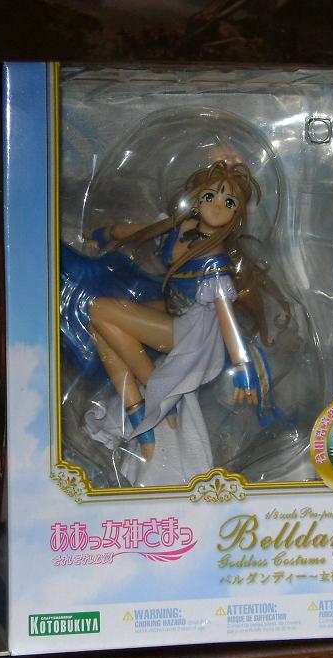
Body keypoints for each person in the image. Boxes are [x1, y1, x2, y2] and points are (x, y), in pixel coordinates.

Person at [60, 160, 284, 483]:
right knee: (98, 326)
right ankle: (140, 415)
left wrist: (243, 366)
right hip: (172, 310)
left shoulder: (215, 261)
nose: (217, 206)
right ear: (197, 198)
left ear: (236, 215)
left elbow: (226, 318)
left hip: (195, 332)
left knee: (97, 309)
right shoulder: (182, 226)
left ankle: (156, 396)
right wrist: (105, 233)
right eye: (211, 196)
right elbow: (140, 231)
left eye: (229, 203)